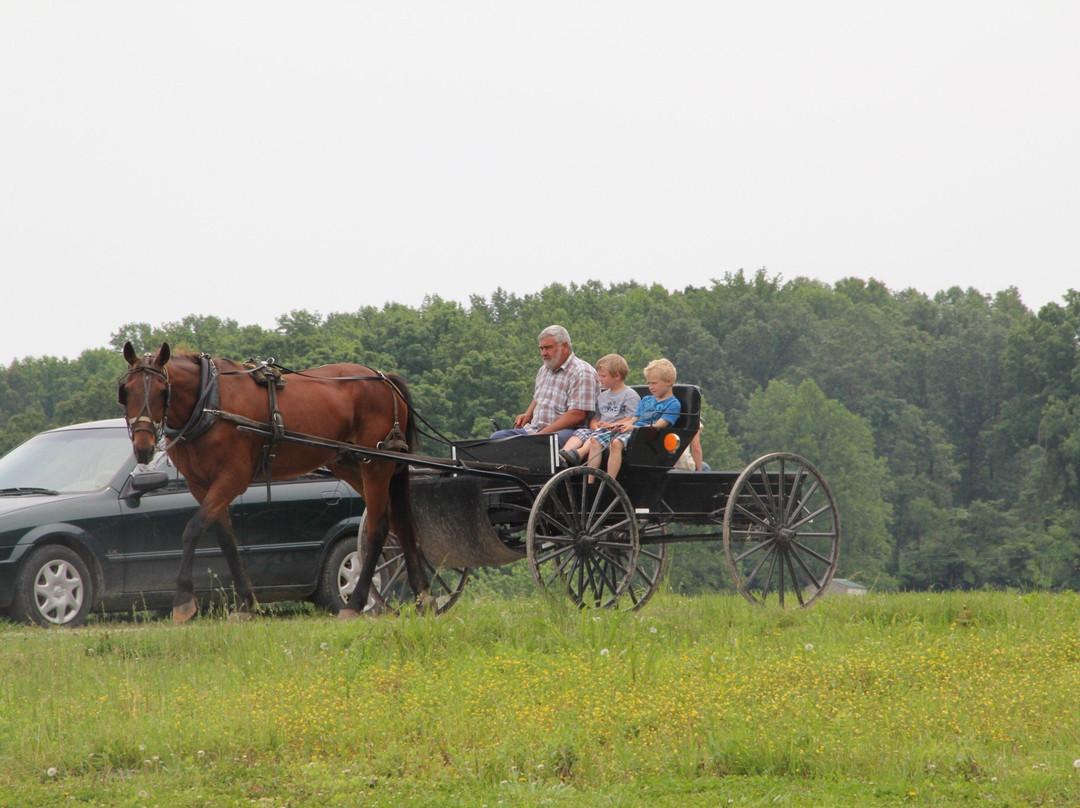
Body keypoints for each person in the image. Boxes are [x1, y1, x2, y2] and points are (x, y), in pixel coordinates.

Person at [489, 325, 600, 448]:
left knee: (535, 445)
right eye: (541, 348)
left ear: (565, 347)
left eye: (548, 348)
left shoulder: (582, 372)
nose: (543, 353)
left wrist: (541, 435)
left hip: (569, 433)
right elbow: (538, 398)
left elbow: (577, 414)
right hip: (536, 430)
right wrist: (527, 415)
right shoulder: (544, 369)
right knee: (497, 438)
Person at [581, 358, 681, 479]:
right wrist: (618, 426)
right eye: (648, 383)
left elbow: (658, 425)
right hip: (634, 429)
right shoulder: (646, 400)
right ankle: (590, 482)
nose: (650, 387)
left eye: (654, 383)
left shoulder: (673, 404)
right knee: (595, 441)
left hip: (648, 436)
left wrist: (633, 427)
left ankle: (609, 481)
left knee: (616, 443)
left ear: (669, 381)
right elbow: (634, 418)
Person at [558, 354, 640, 466]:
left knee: (596, 436)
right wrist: (595, 426)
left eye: (603, 376)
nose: (599, 379)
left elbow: (630, 418)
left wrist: (609, 426)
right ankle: (562, 456)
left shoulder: (630, 395)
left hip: (617, 431)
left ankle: (579, 454)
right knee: (581, 432)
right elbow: (596, 418)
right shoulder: (601, 396)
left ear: (616, 376)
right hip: (601, 429)